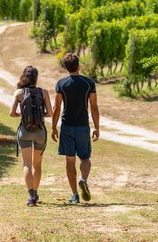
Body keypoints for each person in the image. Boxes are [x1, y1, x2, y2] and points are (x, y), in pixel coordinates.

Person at [51, 52, 99, 204]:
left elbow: (56, 107)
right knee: (85, 158)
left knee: (70, 162)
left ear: (66, 67)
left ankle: (74, 195)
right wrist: (96, 127)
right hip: (83, 126)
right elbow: (94, 106)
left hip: (67, 127)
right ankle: (83, 179)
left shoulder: (61, 84)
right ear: (79, 66)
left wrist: (53, 127)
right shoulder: (89, 83)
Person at [10, 65, 53, 206]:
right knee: (37, 165)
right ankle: (35, 192)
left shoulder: (19, 93)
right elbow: (50, 113)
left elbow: (12, 113)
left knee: (27, 164)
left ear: (24, 76)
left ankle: (31, 196)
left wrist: (22, 114)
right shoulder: (44, 93)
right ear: (36, 77)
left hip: (25, 131)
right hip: (40, 132)